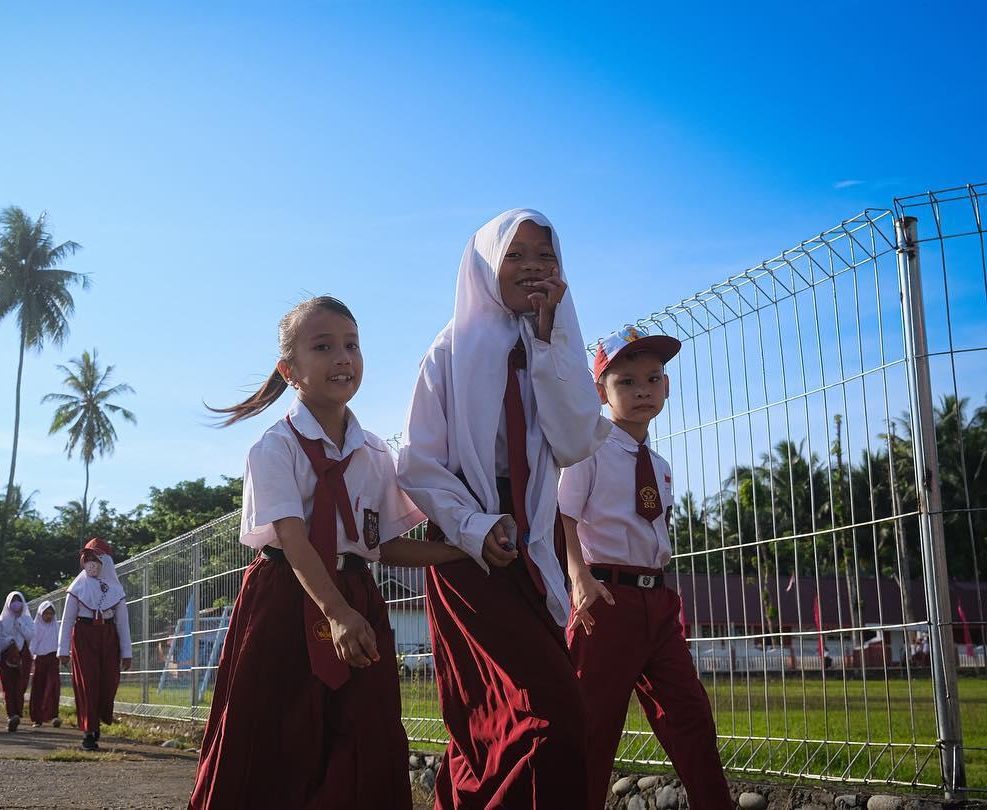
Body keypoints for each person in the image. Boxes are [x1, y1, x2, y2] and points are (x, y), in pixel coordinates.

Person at [189, 295, 470, 810]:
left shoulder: (376, 454)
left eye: (351, 345)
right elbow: (294, 538)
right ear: (289, 370)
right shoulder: (274, 449)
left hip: (357, 596)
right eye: (323, 347)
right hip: (286, 597)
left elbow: (381, 543)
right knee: (274, 734)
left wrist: (459, 552)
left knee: (366, 734)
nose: (343, 357)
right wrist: (336, 612)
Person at [397, 210, 611, 809]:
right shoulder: (448, 352)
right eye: (515, 256)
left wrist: (547, 342)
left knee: (533, 715)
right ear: (487, 264)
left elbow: (572, 441)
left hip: (530, 546)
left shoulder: (555, 344)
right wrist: (472, 525)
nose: (532, 268)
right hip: (467, 551)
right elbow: (416, 462)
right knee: (524, 712)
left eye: (545, 256)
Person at [559, 327, 731, 809]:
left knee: (690, 715)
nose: (642, 391)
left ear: (667, 387)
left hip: (656, 602)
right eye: (627, 381)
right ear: (600, 392)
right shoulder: (586, 451)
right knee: (594, 726)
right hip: (606, 600)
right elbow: (564, 516)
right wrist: (578, 577)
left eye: (653, 379)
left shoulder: (658, 464)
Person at [59, 538, 132, 750]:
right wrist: (63, 650)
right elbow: (67, 621)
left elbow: (122, 624)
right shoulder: (77, 588)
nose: (91, 562)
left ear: (105, 562)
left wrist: (126, 653)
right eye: (87, 558)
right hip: (84, 636)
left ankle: (97, 719)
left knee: (108, 682)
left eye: (95, 558)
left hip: (108, 637)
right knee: (87, 683)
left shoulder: (116, 591)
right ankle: (88, 731)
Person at [0, 590, 31, 732]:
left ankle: (17, 712)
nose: (16, 604)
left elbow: (31, 635)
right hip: (6, 657)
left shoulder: (26, 619)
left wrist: (19, 623)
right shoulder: (2, 621)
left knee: (20, 687)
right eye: (13, 601)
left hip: (23, 657)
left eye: (19, 600)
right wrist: (9, 643)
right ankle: (11, 715)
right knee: (8, 688)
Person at [28, 600, 62, 727]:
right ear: (40, 614)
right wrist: (31, 658)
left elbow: (60, 642)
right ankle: (38, 717)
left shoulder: (56, 627)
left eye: (51, 613)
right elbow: (33, 644)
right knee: (39, 687)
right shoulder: (36, 627)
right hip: (40, 660)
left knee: (53, 686)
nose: (48, 616)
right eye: (46, 613)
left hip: (53, 659)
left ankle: (53, 715)